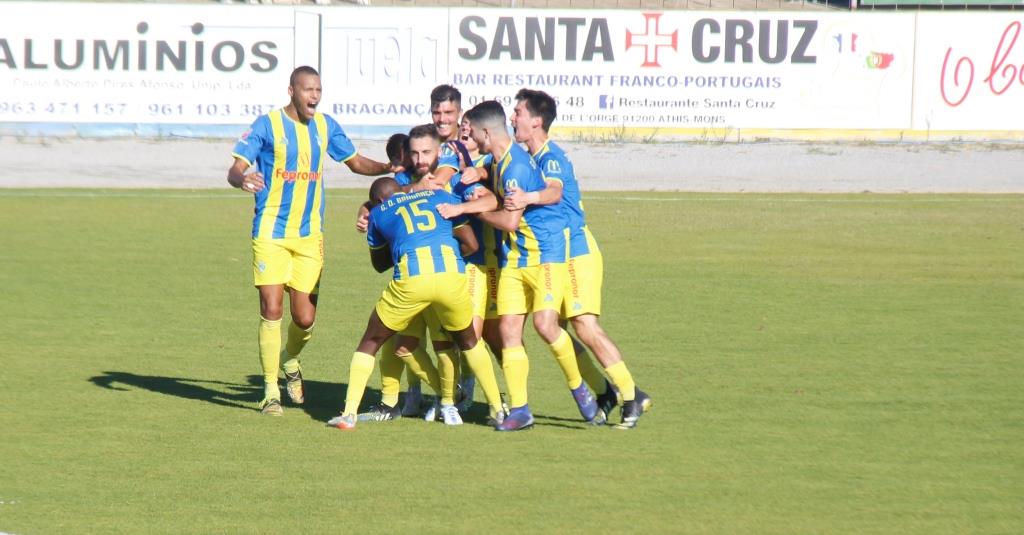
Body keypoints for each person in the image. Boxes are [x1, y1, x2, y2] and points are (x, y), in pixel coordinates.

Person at [227, 65, 393, 416]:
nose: (314, 96)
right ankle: (270, 391)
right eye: (308, 90)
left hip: (309, 236)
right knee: (271, 308)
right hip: (270, 232)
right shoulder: (267, 125)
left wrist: (390, 167)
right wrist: (240, 178)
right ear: (292, 91)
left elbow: (355, 162)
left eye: (318, 89)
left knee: (303, 319)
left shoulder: (325, 126)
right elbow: (235, 167)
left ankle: (290, 360)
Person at [506, 88, 652, 429]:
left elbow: (555, 190)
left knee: (585, 326)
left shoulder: (550, 157)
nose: (513, 117)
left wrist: (526, 196)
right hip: (556, 253)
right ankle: (603, 391)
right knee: (550, 326)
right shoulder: (529, 157)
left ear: (536, 121)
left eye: (518, 112)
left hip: (575, 252)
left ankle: (632, 396)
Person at [461, 100, 601, 432]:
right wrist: (479, 176)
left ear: (485, 132)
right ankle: (521, 410)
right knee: (509, 332)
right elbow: (496, 186)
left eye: (474, 134)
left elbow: (509, 221)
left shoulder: (517, 167)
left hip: (543, 255)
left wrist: (473, 212)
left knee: (546, 326)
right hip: (514, 259)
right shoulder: (499, 161)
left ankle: (580, 387)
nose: (472, 142)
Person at [328, 177, 505, 430]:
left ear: (378, 200)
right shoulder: (441, 197)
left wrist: (401, 240)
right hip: (451, 276)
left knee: (370, 342)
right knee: (469, 342)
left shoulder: (378, 213)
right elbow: (471, 244)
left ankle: (349, 415)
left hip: (411, 279)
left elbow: (379, 265)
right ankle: (498, 410)